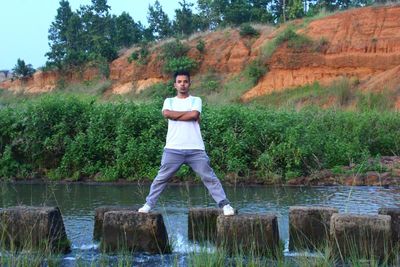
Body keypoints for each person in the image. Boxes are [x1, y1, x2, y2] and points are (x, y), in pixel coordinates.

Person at [138, 70, 234, 216]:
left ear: (189, 83)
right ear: (175, 85)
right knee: (161, 179)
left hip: (195, 148)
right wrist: (186, 115)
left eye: (185, 81)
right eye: (179, 82)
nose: (182, 84)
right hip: (173, 148)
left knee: (209, 177)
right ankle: (148, 205)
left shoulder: (196, 100)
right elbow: (166, 114)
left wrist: (176, 115)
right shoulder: (168, 101)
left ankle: (225, 205)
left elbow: (194, 115)